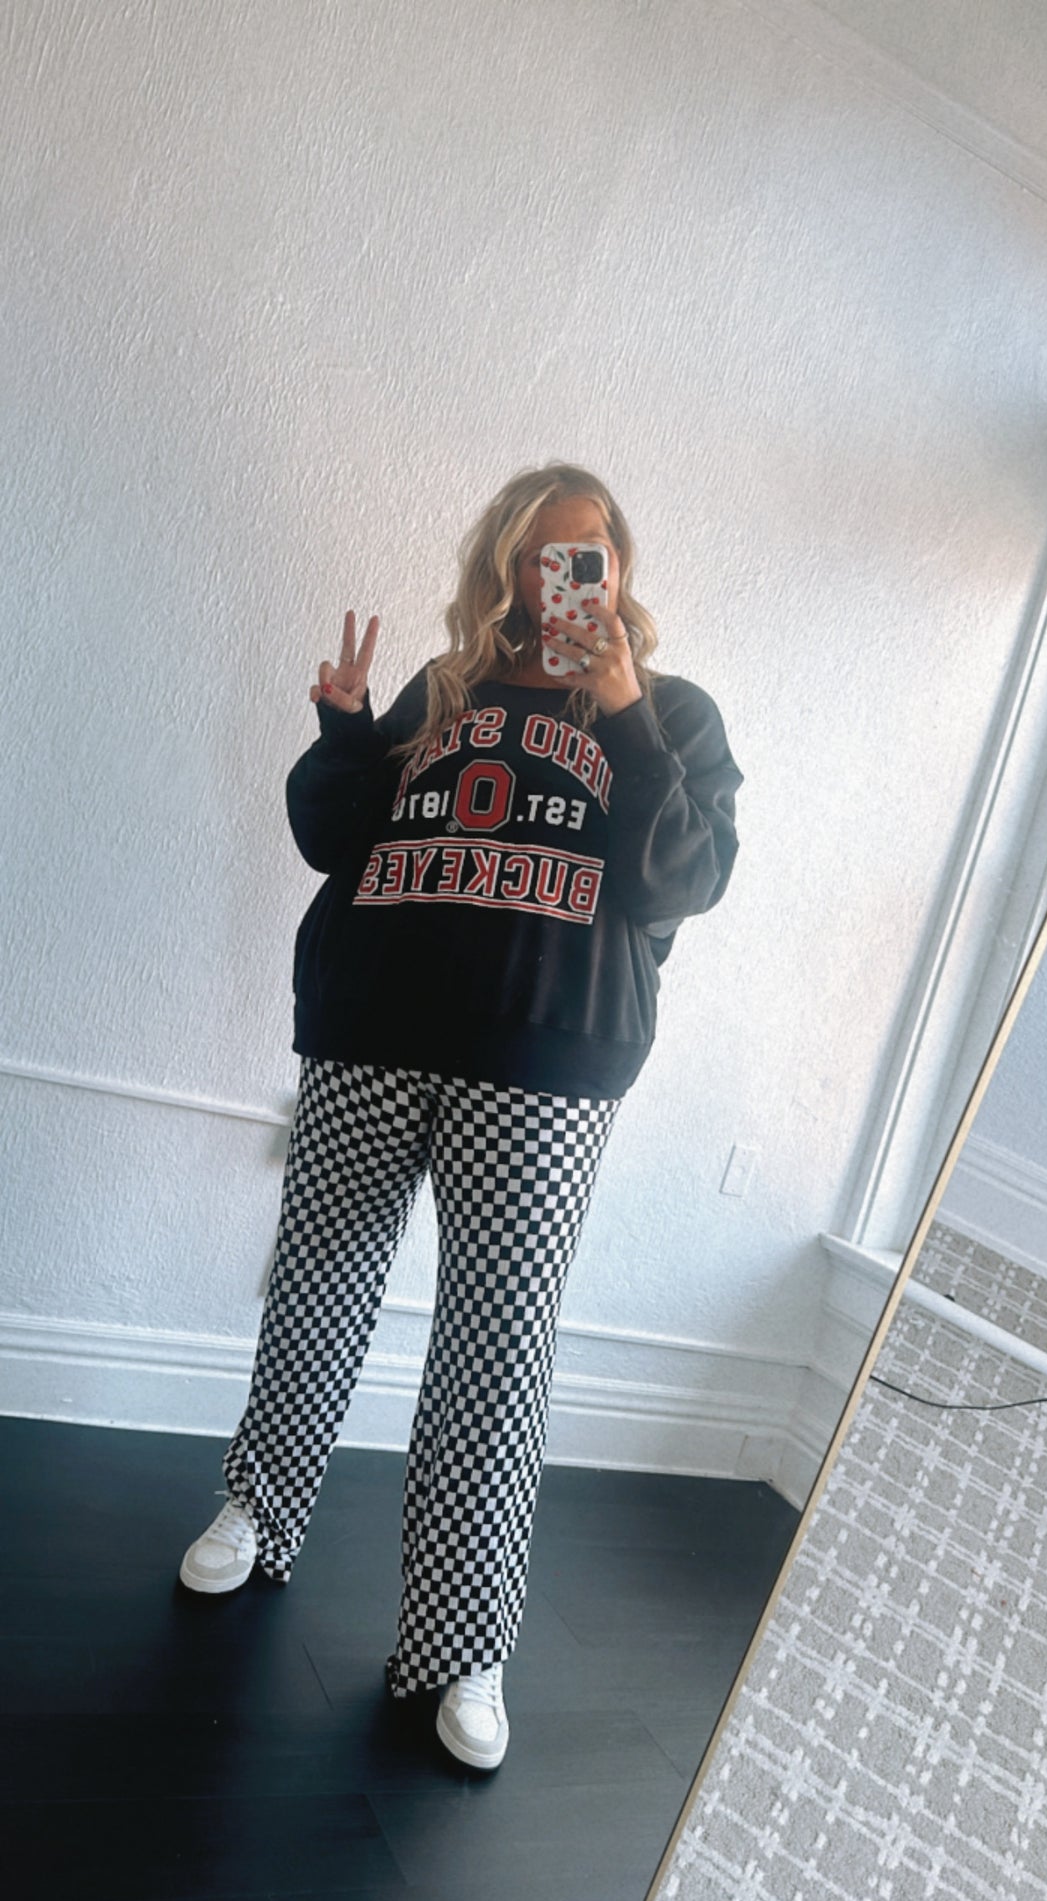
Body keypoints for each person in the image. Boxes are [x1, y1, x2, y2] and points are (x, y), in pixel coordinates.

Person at [179, 462, 742, 1770]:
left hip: (546, 1067)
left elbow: (688, 877)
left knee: (497, 1354)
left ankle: (464, 1642)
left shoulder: (672, 713)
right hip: (373, 1031)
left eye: (588, 555)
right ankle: (259, 1510)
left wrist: (621, 710)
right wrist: (342, 730)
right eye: (541, 554)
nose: (564, 579)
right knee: (316, 1287)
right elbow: (335, 837)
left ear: (617, 567)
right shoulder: (444, 691)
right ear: (504, 566)